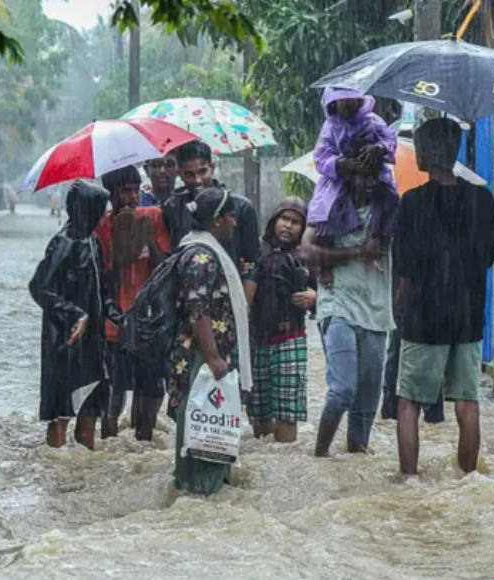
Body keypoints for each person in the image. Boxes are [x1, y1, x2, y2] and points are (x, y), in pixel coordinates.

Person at [393, 118, 494, 478]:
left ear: (424, 154)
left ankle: (409, 478)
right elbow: (488, 256)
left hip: (424, 315)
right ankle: (468, 478)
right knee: (467, 402)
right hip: (467, 316)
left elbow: (403, 267)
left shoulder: (413, 203)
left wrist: (401, 308)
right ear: (453, 153)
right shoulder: (482, 200)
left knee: (408, 401)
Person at [301, 145, 396, 458]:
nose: (368, 182)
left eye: (374, 173)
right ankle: (319, 457)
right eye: (361, 173)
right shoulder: (328, 205)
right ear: (348, 174)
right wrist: (356, 253)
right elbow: (307, 252)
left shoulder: (390, 209)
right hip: (337, 303)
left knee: (368, 400)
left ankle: (355, 460)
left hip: (377, 309)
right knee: (343, 389)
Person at [166, 187, 253, 495]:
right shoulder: (203, 257)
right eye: (231, 216)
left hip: (202, 356)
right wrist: (215, 357)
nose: (235, 222)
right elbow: (198, 309)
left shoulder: (200, 249)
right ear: (217, 220)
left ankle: (201, 492)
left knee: (207, 429)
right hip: (201, 358)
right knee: (203, 432)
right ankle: (200, 494)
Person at [30, 180, 122, 450]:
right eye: (98, 208)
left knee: (90, 405)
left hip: (93, 341)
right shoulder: (63, 243)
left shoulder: (92, 241)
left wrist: (118, 315)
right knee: (62, 409)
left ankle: (85, 464)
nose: (101, 214)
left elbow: (100, 289)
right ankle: (57, 464)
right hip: (65, 340)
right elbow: (40, 288)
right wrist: (75, 315)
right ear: (85, 209)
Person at [94, 166, 172, 441]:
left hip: (148, 323)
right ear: (111, 194)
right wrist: (123, 246)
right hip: (113, 326)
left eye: (136, 190)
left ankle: (144, 442)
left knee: (151, 390)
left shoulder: (153, 217)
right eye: (125, 191)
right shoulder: (101, 227)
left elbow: (166, 268)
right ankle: (109, 443)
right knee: (115, 392)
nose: (132, 197)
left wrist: (146, 238)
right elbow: (100, 278)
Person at [309, 88, 399, 280]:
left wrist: (379, 148)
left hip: (373, 172)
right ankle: (325, 265)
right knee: (325, 209)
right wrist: (339, 163)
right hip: (340, 179)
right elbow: (320, 157)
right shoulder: (330, 128)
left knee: (391, 197)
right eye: (341, 101)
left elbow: (390, 139)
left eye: (350, 100)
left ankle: (379, 239)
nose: (346, 105)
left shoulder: (372, 121)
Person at [248, 198, 317, 443]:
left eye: (296, 222)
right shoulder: (257, 251)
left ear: (304, 227)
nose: (288, 226)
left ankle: (284, 453)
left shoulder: (308, 255)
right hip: (257, 341)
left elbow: (331, 292)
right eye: (284, 219)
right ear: (274, 221)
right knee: (259, 411)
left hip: (291, 339)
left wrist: (314, 296)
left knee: (288, 412)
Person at [161, 140, 260, 280]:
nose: (198, 181)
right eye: (189, 174)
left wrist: (244, 300)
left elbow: (253, 264)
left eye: (202, 171)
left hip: (231, 288)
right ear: (180, 174)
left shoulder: (241, 207)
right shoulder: (173, 208)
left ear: (212, 168)